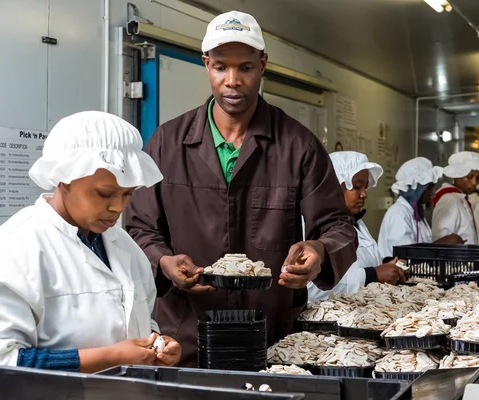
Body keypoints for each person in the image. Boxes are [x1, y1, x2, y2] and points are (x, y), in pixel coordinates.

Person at [125, 11, 357, 367]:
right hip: (184, 335)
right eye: (221, 67)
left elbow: (338, 226)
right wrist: (163, 261)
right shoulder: (167, 144)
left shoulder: (297, 145)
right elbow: (139, 227)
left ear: (263, 64)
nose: (232, 81)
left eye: (245, 68)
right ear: (206, 64)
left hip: (271, 336)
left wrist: (319, 249)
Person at [0, 111, 181, 373]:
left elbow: (137, 317)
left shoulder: (123, 245)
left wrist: (156, 344)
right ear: (64, 178)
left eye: (127, 194)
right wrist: (111, 357)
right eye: (104, 193)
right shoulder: (9, 252)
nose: (117, 207)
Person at [307, 152, 405, 302]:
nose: (364, 194)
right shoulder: (313, 225)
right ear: (335, 187)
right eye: (357, 187)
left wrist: (389, 267)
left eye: (366, 187)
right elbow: (311, 288)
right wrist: (372, 275)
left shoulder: (356, 222)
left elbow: (363, 264)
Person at [378, 157, 464, 259]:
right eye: (429, 188)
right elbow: (405, 253)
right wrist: (442, 243)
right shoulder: (398, 213)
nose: (432, 193)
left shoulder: (416, 213)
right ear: (416, 188)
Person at [431, 152, 479, 245]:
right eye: (469, 177)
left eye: (477, 177)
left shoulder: (461, 198)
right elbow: (442, 241)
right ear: (457, 176)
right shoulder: (449, 200)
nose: (474, 182)